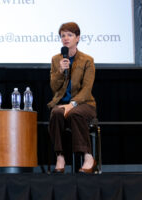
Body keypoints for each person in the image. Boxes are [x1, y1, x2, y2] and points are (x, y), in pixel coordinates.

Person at [48, 22, 97, 173]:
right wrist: (60, 71)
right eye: (63, 35)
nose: (66, 38)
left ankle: (88, 156)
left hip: (84, 104)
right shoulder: (57, 60)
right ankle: (60, 156)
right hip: (62, 103)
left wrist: (72, 104)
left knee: (75, 113)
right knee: (56, 113)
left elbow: (87, 89)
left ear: (78, 38)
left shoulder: (87, 60)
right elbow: (54, 88)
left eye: (70, 35)